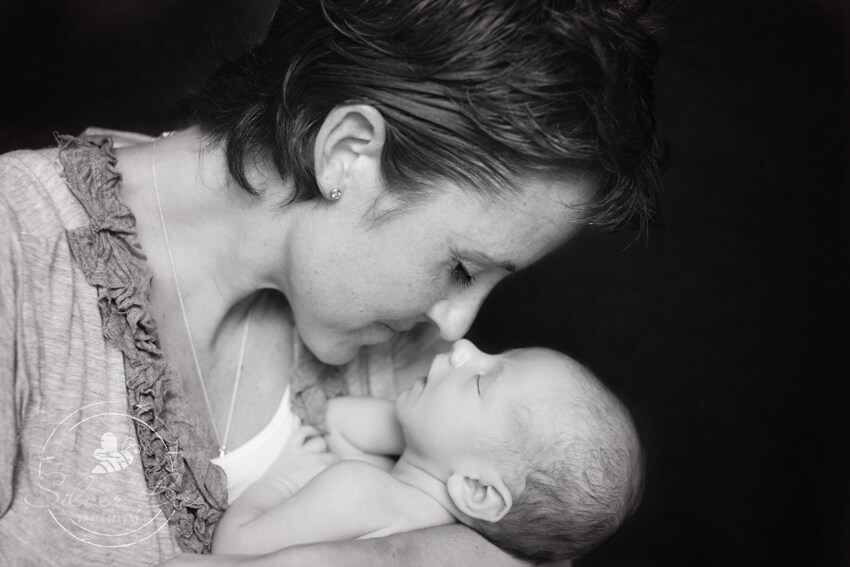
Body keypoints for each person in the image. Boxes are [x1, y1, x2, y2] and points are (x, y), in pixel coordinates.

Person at [0, 0, 664, 565]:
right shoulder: (19, 254)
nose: (456, 326)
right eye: (462, 267)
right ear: (347, 152)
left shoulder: (413, 366)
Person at [212, 339, 644, 564]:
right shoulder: (414, 505)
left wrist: (285, 476)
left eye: (480, 380)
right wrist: (423, 435)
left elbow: (231, 550)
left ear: (477, 489)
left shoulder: (359, 490)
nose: (463, 349)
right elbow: (343, 422)